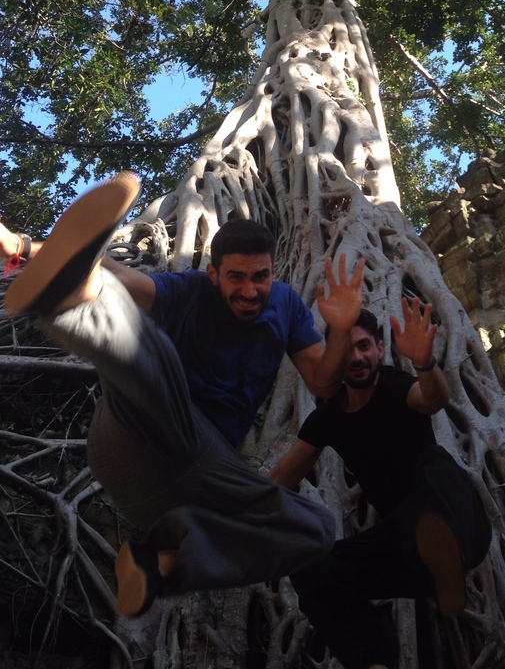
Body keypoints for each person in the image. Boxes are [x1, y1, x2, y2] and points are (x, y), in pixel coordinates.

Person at [1, 172, 365, 618]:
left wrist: (343, 329)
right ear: (213, 273)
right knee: (152, 355)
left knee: (316, 529)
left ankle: (160, 563)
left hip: (199, 476)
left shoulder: (286, 304)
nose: (250, 291)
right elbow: (121, 274)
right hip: (138, 430)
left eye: (260, 277)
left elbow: (324, 384)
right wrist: (21, 247)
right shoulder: (188, 290)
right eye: (236, 277)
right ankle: (72, 299)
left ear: (274, 271)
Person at [267, 300, 492, 669]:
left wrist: (424, 361)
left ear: (381, 350)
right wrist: (219, 502)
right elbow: (277, 481)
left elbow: (433, 398)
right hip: (402, 548)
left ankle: (447, 559)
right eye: (347, 348)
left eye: (365, 346)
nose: (356, 357)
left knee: (435, 463)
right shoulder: (327, 418)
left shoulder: (399, 387)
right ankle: (373, 661)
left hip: (461, 531)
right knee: (313, 567)